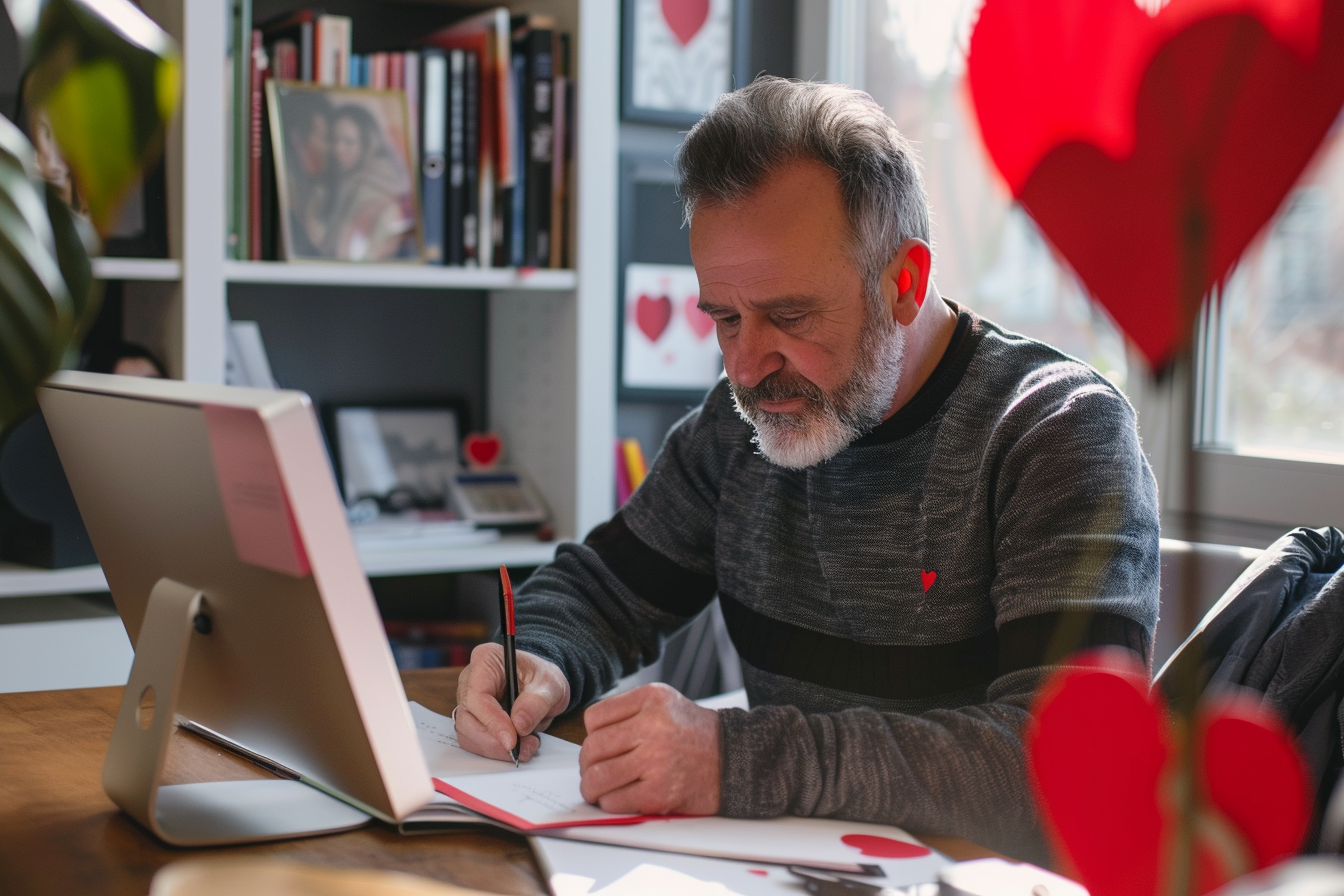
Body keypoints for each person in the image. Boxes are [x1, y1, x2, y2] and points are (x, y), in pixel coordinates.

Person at [453, 77, 1160, 859]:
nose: (748, 366)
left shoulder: (1056, 431)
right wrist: (538, 656)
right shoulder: (739, 423)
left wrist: (735, 761)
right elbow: (603, 590)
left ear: (904, 283)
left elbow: (1070, 767)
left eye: (789, 317)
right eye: (725, 318)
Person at [324, 103, 417, 261]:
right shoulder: (339, 183)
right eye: (334, 139)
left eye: (348, 142)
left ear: (368, 145)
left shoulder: (372, 190)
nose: (338, 149)